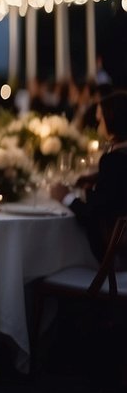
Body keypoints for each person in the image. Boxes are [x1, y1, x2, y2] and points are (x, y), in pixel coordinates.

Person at [51, 91, 127, 264]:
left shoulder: (113, 160)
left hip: (112, 262)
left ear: (112, 121)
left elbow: (92, 216)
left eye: (100, 120)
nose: (98, 127)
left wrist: (66, 197)